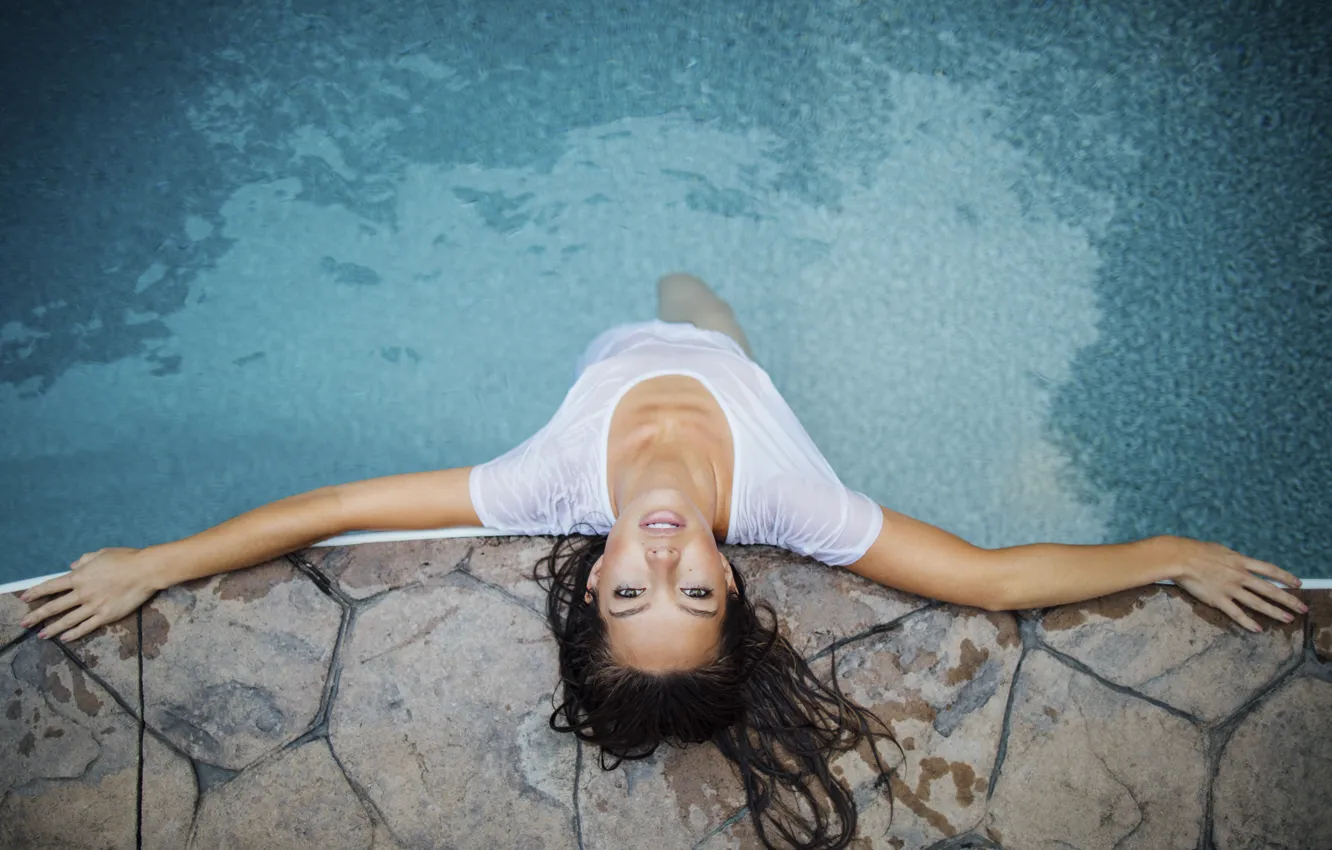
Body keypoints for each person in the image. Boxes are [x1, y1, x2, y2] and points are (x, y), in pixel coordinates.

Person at [18, 273, 1308, 849]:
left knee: (664, 291)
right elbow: (989, 578)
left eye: (634, 592)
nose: (663, 557)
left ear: (590, 584)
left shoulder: (546, 486)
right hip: (728, 366)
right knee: (707, 302)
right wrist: (1177, 553)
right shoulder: (794, 499)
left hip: (607, 356)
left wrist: (157, 564)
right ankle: (710, 307)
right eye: (693, 591)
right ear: (736, 583)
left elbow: (338, 501)